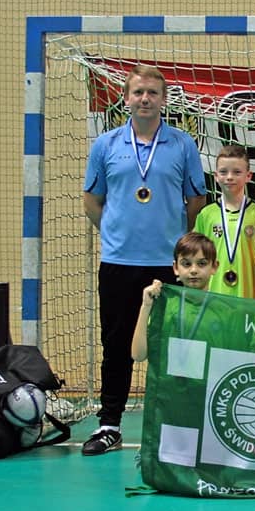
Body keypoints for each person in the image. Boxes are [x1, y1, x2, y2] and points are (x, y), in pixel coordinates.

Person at [82, 64, 207, 456]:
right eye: (138, 92)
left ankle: (174, 427)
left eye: (153, 92)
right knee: (116, 344)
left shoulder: (183, 144)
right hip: (119, 262)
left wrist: (175, 242)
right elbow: (92, 200)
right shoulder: (105, 145)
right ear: (126, 98)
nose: (145, 99)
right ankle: (109, 424)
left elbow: (196, 200)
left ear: (164, 99)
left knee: (173, 346)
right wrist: (116, 234)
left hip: (167, 265)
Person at [131, 233, 219, 364]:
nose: (193, 270)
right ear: (176, 268)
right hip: (166, 378)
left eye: (202, 263)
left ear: (214, 267)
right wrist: (146, 307)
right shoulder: (165, 306)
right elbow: (138, 355)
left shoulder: (222, 311)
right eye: (186, 264)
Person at [194, 144, 255, 299]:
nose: (229, 177)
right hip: (213, 297)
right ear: (216, 176)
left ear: (249, 176)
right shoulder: (206, 214)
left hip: (250, 298)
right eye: (224, 172)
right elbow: (195, 257)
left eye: (237, 172)